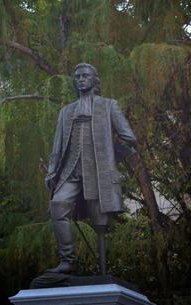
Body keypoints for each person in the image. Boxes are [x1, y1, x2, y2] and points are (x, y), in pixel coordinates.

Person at [45, 63, 137, 274]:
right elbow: (57, 148)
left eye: (85, 75)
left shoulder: (108, 105)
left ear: (95, 80)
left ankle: (103, 270)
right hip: (70, 171)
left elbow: (130, 139)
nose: (80, 79)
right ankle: (67, 261)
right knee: (58, 205)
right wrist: (52, 171)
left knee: (100, 223)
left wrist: (110, 157)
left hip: (98, 172)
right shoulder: (66, 112)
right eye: (77, 76)